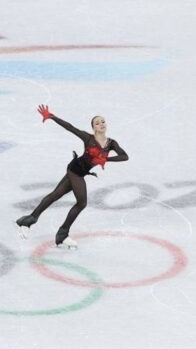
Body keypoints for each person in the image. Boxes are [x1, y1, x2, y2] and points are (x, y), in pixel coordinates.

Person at [16, 104, 129, 248]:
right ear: (93, 127)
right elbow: (70, 127)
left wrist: (107, 159)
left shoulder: (111, 143)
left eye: (103, 121)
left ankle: (28, 220)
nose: (101, 124)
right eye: (97, 122)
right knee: (82, 202)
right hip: (74, 170)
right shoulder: (88, 138)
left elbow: (125, 156)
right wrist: (51, 116)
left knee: (55, 195)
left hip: (81, 172)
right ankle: (62, 234)